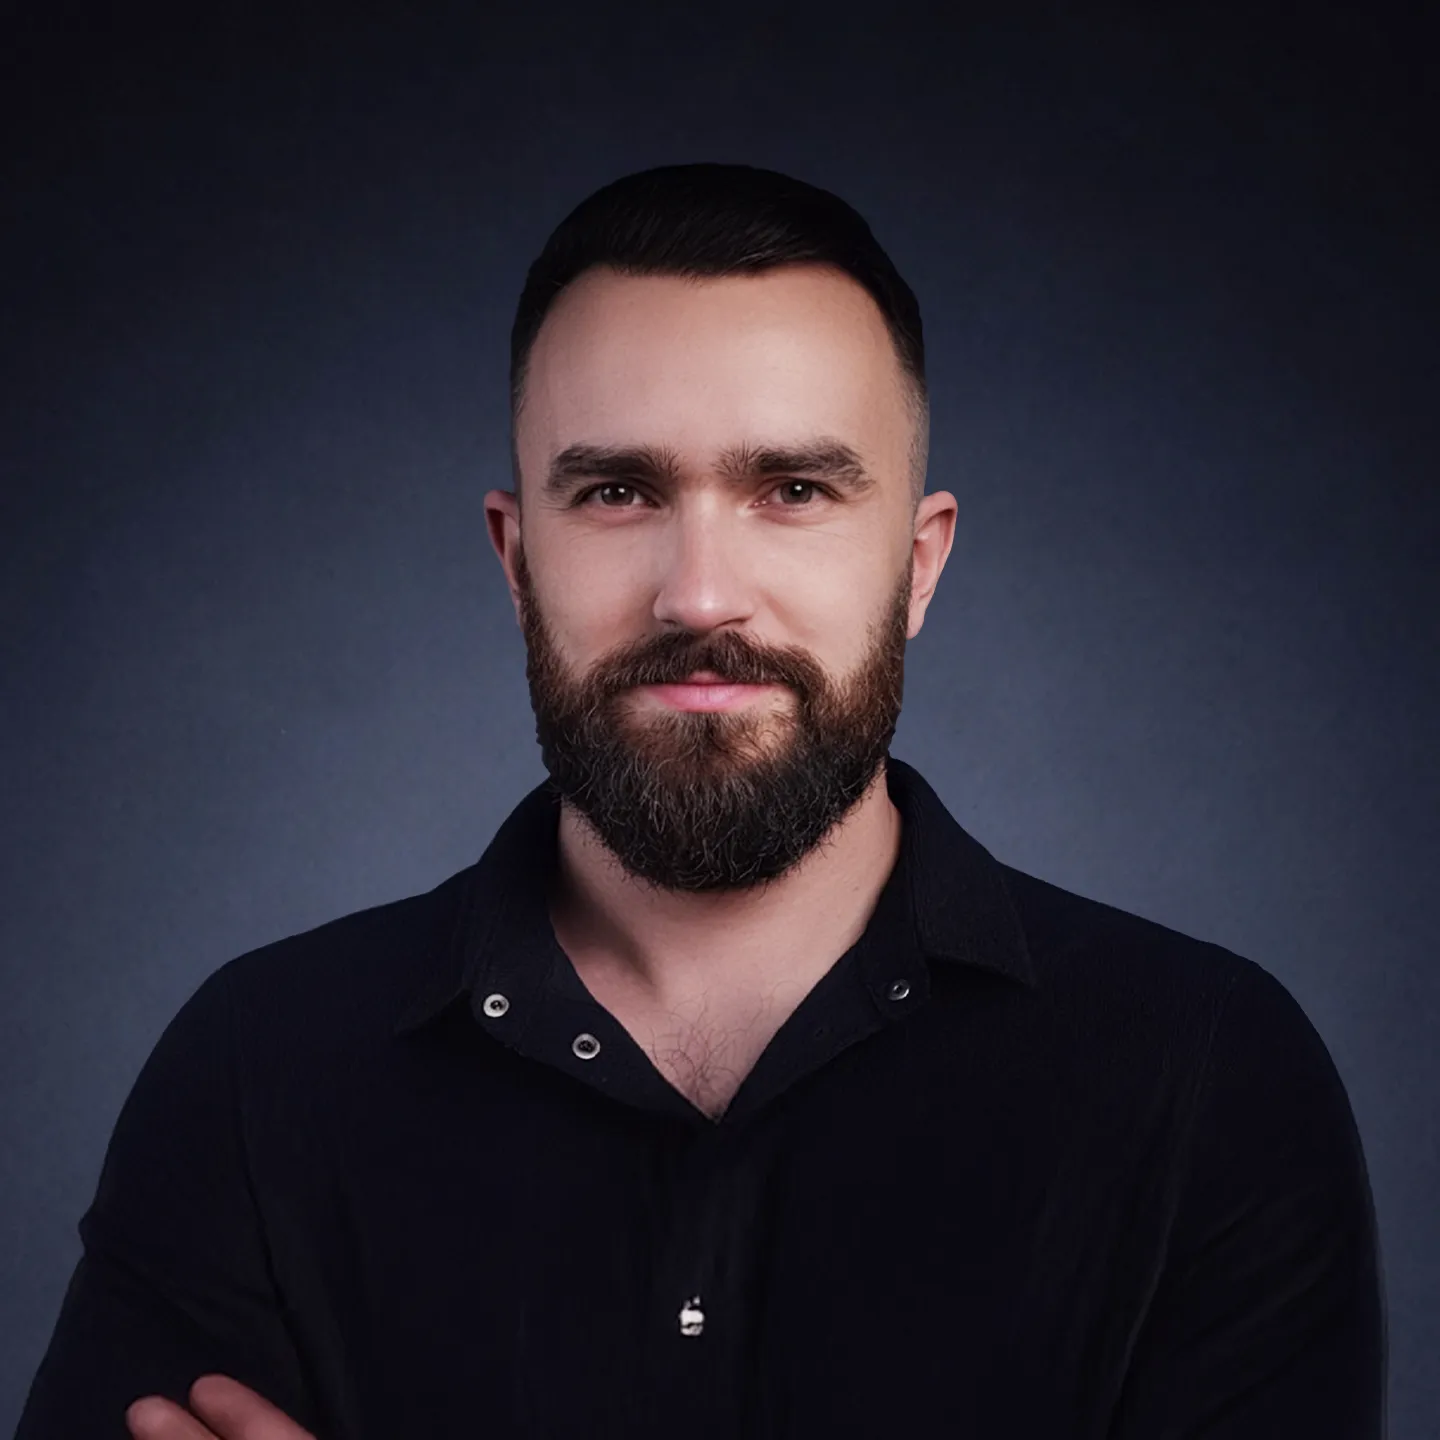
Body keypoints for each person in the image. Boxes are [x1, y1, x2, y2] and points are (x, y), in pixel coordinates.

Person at [14, 163, 1385, 1440]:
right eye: (618, 491)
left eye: (792, 489)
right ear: (514, 558)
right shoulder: (259, 1072)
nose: (700, 594)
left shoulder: (1208, 1079)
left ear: (917, 565)